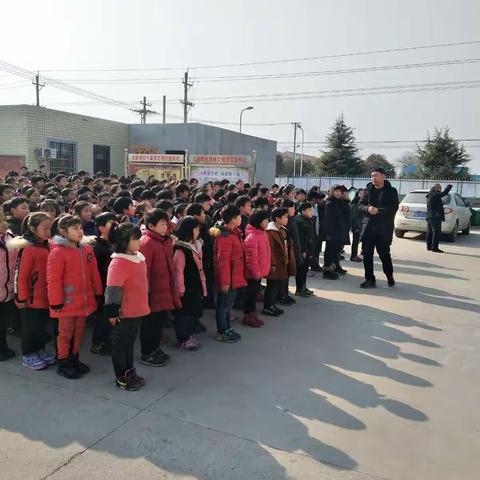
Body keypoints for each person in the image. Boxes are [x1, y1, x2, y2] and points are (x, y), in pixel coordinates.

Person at [47, 214, 103, 379]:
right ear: (63, 232)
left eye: (80, 228)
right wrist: (56, 301)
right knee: (65, 333)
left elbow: (94, 273)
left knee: (79, 331)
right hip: (67, 301)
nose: (80, 232)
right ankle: (64, 361)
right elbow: (53, 279)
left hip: (83, 300)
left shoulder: (86, 249)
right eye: (75, 228)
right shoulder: (58, 252)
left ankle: (74, 358)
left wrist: (98, 291)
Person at [104, 223, 150, 391]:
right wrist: (112, 311)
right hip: (123, 312)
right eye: (135, 239)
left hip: (137, 309)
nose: (139, 242)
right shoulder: (119, 263)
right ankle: (121, 376)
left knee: (130, 343)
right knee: (120, 344)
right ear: (123, 242)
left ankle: (130, 371)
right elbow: (113, 289)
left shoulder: (138, 258)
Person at [11, 213, 56, 370]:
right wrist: (21, 298)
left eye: (50, 228)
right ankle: (28, 354)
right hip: (30, 299)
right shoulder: (27, 248)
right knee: (30, 329)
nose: (48, 232)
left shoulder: (48, 245)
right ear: (32, 228)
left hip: (45, 297)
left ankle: (39, 350)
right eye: (44, 228)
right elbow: (20, 275)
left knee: (41, 327)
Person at [139, 208, 180, 366]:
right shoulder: (147, 242)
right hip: (152, 292)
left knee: (158, 323)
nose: (166, 227)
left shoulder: (165, 241)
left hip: (164, 289)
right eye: (162, 224)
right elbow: (145, 271)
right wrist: (146, 292)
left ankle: (155, 348)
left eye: (167, 224)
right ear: (151, 226)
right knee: (150, 324)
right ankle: (147, 353)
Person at [358, 168, 399, 288]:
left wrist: (379, 210)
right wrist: (368, 209)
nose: (373, 178)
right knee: (367, 255)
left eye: (376, 175)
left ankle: (389, 275)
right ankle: (370, 279)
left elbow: (393, 208)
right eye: (371, 176)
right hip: (368, 229)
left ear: (383, 176)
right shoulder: (367, 190)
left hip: (383, 229)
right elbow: (360, 205)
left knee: (384, 255)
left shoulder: (391, 191)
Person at [210, 204, 245, 343]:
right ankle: (221, 331)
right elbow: (222, 262)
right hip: (228, 279)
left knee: (228, 305)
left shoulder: (233, 232)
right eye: (239, 217)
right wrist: (224, 282)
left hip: (234, 276)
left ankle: (227, 328)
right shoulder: (225, 237)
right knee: (223, 306)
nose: (241, 219)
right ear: (232, 219)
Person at [173, 216, 207, 350]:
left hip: (195, 285)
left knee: (191, 312)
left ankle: (189, 334)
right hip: (186, 289)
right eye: (196, 229)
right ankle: (183, 338)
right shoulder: (181, 250)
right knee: (183, 315)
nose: (198, 231)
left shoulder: (196, 245)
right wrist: (180, 289)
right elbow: (178, 272)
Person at [91, 212, 117, 356]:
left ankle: (106, 340)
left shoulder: (113, 244)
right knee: (102, 317)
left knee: (110, 316)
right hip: (103, 288)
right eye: (110, 222)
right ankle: (98, 343)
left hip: (112, 287)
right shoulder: (98, 248)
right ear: (101, 228)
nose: (115, 224)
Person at [243, 210, 271, 327]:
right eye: (266, 220)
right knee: (250, 295)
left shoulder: (262, 233)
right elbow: (251, 260)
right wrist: (256, 273)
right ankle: (248, 316)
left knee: (254, 295)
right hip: (253, 274)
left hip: (259, 272)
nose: (268, 222)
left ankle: (253, 314)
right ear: (259, 221)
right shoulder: (252, 237)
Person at [263, 208, 290, 316]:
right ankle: (268, 306)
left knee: (276, 285)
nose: (287, 219)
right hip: (274, 263)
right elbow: (270, 250)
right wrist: (272, 264)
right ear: (277, 219)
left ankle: (272, 305)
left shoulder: (282, 229)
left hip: (281, 262)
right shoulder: (270, 232)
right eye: (285, 217)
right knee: (271, 286)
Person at [0, 211, 18, 361]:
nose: (4, 223)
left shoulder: (9, 237)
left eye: (3, 220)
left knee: (3, 321)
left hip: (7, 289)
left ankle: (3, 346)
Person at [323, 186, 350, 280]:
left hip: (340, 231)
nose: (338, 193)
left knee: (336, 252)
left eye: (339, 191)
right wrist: (328, 233)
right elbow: (327, 219)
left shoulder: (341, 202)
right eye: (336, 191)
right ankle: (327, 271)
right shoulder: (330, 203)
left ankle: (334, 268)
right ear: (332, 192)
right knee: (330, 252)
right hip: (332, 232)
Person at [292, 202, 316, 296]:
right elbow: (300, 239)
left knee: (305, 269)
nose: (311, 212)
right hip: (303, 250)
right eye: (309, 210)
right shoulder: (299, 222)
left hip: (309, 249)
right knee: (301, 270)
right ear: (303, 211)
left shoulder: (308, 220)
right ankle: (299, 289)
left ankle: (304, 287)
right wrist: (303, 250)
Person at [426, 183, 453, 253]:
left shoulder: (431, 195)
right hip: (435, 216)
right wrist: (449, 186)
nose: (441, 189)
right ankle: (434, 248)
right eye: (440, 188)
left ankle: (429, 246)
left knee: (430, 232)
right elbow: (444, 193)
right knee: (436, 232)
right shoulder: (435, 194)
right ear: (436, 188)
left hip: (430, 216)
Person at [350, 189, 365, 262]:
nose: (362, 195)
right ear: (357, 194)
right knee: (355, 242)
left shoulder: (362, 203)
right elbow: (354, 217)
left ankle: (357, 254)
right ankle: (353, 256)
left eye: (363, 193)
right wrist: (356, 227)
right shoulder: (354, 204)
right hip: (356, 226)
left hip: (361, 225)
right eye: (360, 193)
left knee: (359, 241)